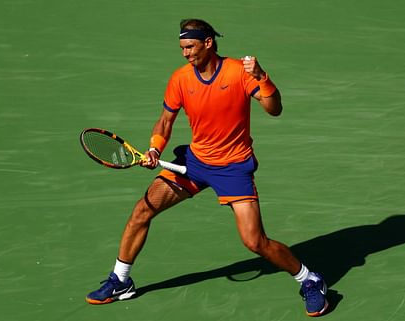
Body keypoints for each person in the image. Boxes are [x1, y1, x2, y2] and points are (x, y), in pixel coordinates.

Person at [85, 18, 328, 317]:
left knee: (255, 241)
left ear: (208, 43)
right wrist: (154, 148)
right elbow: (165, 121)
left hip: (233, 168)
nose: (185, 53)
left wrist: (263, 77)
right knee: (142, 211)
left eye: (190, 47)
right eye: (182, 48)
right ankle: (120, 280)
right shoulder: (181, 79)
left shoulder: (239, 71)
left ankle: (310, 279)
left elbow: (274, 109)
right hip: (195, 163)